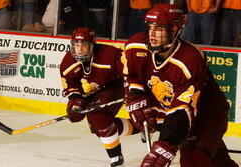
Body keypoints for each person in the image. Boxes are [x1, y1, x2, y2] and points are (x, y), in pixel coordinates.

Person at [123, 3, 239, 167]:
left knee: (193, 158)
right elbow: (132, 75)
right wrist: (136, 96)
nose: (152, 34)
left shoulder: (190, 59)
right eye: (150, 27)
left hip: (207, 113)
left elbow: (182, 109)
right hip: (179, 113)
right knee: (216, 160)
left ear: (175, 30)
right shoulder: (135, 46)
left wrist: (166, 144)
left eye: (160, 29)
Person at [60, 27, 138, 167]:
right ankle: (140, 127)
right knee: (97, 128)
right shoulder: (68, 62)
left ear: (92, 45)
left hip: (115, 85)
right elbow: (71, 85)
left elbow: (129, 70)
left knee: (99, 117)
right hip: (96, 90)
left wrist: (132, 90)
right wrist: (76, 102)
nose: (79, 49)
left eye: (84, 45)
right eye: (76, 45)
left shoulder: (109, 54)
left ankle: (116, 158)